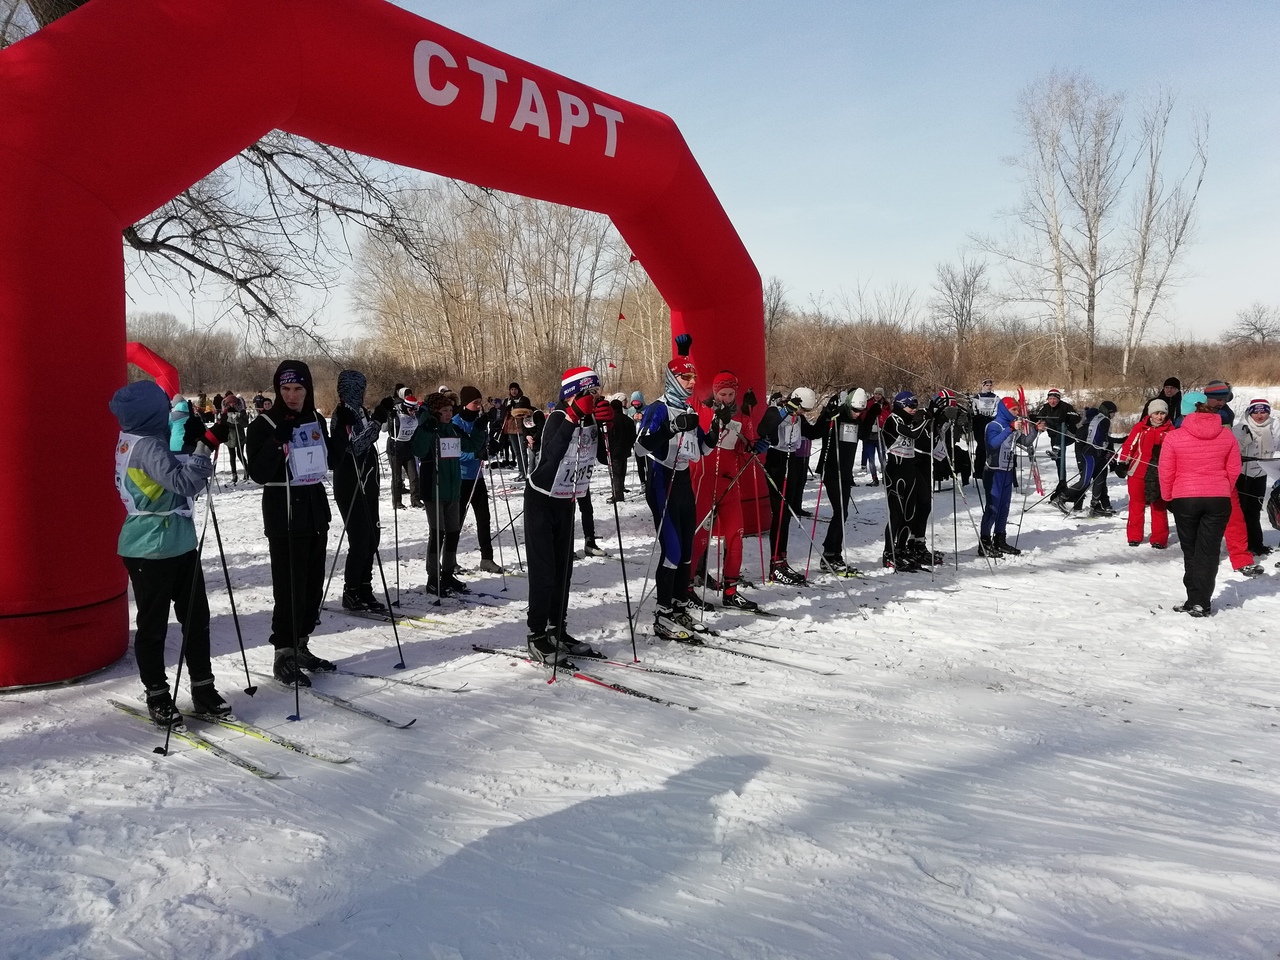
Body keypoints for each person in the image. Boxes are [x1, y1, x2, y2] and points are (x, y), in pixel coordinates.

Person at [110, 380, 231, 725]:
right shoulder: (148, 445)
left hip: (173, 541)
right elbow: (182, 483)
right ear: (150, 413)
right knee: (156, 625)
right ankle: (159, 694)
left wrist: (193, 444)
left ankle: (202, 688)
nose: (167, 413)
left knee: (195, 617)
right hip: (153, 546)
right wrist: (205, 446)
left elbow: (165, 469)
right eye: (162, 408)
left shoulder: (134, 438)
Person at [246, 360, 334, 687]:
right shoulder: (264, 424)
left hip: (313, 511)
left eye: (298, 388)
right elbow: (257, 473)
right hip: (284, 514)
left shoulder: (313, 419)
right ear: (277, 390)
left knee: (312, 586)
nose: (293, 395)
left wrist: (348, 432)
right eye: (285, 389)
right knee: (290, 588)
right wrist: (275, 442)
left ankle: (301, 645)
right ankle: (283, 652)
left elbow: (330, 459)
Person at [523, 366, 613, 664]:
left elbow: (606, 457)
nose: (594, 397)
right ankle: (537, 633)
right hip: (541, 499)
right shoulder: (558, 418)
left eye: (596, 391)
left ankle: (557, 629)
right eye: (589, 392)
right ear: (573, 394)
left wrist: (610, 427)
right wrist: (574, 416)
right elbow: (549, 459)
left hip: (566, 500)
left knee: (564, 571)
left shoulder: (589, 421)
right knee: (544, 571)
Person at [638, 335, 717, 640]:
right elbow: (641, 448)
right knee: (671, 552)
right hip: (661, 481)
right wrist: (671, 427)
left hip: (684, 482)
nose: (691, 382)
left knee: (686, 552)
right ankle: (662, 613)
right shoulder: (657, 410)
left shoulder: (690, 410)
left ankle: (679, 606)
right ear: (672, 378)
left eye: (693, 377)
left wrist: (718, 428)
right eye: (685, 376)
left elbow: (704, 449)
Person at [688, 371, 769, 610]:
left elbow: (746, 447)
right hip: (703, 482)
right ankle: (686, 587)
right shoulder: (703, 410)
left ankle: (731, 590)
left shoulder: (743, 418)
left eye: (731, 394)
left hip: (730, 483)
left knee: (736, 536)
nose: (726, 398)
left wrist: (756, 447)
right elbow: (688, 397)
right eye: (722, 394)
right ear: (714, 392)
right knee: (699, 538)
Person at [1159, 391, 1242, 617]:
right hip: (1218, 498)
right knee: (1209, 550)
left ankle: (1195, 599)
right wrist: (1224, 487)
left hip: (1185, 498)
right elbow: (1235, 468)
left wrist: (1167, 497)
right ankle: (1200, 602)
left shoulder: (1174, 436)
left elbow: (1166, 471)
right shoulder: (1226, 436)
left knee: (1191, 550)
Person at [413, 391, 483, 596]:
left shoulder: (452, 428)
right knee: (438, 533)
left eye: (450, 410)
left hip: (453, 488)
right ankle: (433, 577)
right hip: (433, 488)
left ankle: (448, 573)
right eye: (444, 410)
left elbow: (470, 445)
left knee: (453, 532)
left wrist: (479, 429)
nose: (448, 414)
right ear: (435, 412)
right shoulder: (428, 428)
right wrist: (427, 427)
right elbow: (417, 449)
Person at [328, 369, 386, 613]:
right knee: (360, 538)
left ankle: (365, 587)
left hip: (368, 479)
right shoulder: (341, 414)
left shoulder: (361, 411)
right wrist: (377, 421)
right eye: (358, 388)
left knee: (373, 536)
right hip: (350, 480)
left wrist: (377, 417)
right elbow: (357, 445)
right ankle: (351, 590)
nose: (361, 393)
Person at [757, 386, 826, 584]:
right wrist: (785, 412)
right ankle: (775, 564)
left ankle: (782, 560)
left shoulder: (799, 418)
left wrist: (826, 416)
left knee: (786, 514)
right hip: (777, 462)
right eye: (802, 409)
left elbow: (813, 433)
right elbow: (763, 429)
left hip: (793, 462)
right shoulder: (775, 410)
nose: (802, 413)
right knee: (780, 514)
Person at [978, 397, 1044, 557]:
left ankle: (1000, 539)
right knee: (993, 508)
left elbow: (1026, 442)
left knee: (1004, 508)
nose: (1017, 414)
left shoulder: (1013, 426)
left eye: (1018, 411)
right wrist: (1010, 428)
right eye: (1014, 410)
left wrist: (1036, 430)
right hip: (993, 472)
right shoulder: (994, 425)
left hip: (1007, 472)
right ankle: (984, 543)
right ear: (1005, 410)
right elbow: (992, 445)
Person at [453, 386, 504, 575]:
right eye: (475, 402)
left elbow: (484, 440)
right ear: (466, 403)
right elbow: (456, 453)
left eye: (480, 401)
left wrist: (492, 444)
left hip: (478, 477)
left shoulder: (479, 421)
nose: (479, 405)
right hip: (460, 478)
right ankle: (449, 559)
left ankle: (487, 558)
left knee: (484, 519)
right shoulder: (455, 423)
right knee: (456, 521)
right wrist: (476, 454)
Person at [880, 390, 930, 572]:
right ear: (901, 405)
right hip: (896, 470)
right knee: (896, 515)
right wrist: (925, 419)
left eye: (915, 406)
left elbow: (922, 437)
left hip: (909, 469)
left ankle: (900, 550)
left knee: (909, 514)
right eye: (910, 406)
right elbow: (912, 434)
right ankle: (888, 552)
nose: (913, 409)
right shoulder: (893, 419)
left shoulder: (909, 420)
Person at [817, 388, 864, 574]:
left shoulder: (857, 419)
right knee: (840, 511)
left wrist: (872, 415)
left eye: (860, 411)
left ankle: (834, 553)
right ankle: (830, 553)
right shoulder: (840, 414)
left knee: (843, 513)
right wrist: (827, 415)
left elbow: (863, 435)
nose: (856, 413)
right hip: (831, 470)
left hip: (845, 473)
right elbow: (819, 432)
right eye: (854, 409)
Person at [1118, 398, 1174, 548]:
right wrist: (1123, 462)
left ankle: (1159, 538)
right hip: (1137, 471)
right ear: (1150, 414)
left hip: (1158, 475)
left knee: (1158, 505)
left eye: (1162, 413)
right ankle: (1134, 536)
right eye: (1156, 413)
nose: (1159, 417)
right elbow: (1129, 445)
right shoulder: (1141, 428)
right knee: (1136, 504)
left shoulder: (1171, 431)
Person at [1050, 400, 1117, 517]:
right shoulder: (1096, 424)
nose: (1113, 416)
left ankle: (1095, 506)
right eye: (1112, 413)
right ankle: (1060, 498)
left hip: (1098, 456)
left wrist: (1109, 455)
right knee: (1084, 483)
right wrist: (1121, 440)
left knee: (1100, 480)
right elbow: (1096, 441)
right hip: (1089, 456)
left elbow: (1105, 441)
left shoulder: (1100, 422)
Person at [1233, 397, 1280, 557]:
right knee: (1243, 510)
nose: (1260, 415)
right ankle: (1244, 544)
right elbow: (1232, 450)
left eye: (1263, 412)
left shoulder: (1275, 426)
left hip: (1262, 473)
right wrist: (1243, 442)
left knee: (1255, 510)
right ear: (1250, 412)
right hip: (1243, 474)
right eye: (1256, 412)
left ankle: (1257, 544)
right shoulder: (1241, 427)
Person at [1035, 388, 1080, 497]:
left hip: (1068, 435)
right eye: (1050, 399)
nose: (1052, 401)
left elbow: (1077, 417)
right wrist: (1041, 423)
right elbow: (1040, 417)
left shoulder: (1065, 406)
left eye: (1054, 399)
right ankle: (1062, 483)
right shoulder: (1046, 407)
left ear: (1058, 399)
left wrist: (1068, 417)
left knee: (1061, 424)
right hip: (1054, 438)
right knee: (1059, 461)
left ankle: (1056, 449)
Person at [387, 387, 423, 510]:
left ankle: (416, 500)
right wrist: (389, 419)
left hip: (408, 448)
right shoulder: (396, 415)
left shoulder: (415, 416)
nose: (412, 412)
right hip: (395, 448)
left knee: (413, 477)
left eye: (414, 410)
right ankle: (397, 502)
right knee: (397, 478)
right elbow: (384, 429)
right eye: (410, 410)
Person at [500, 382, 534, 478]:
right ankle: (521, 471)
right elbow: (503, 413)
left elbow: (528, 410)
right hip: (511, 428)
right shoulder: (507, 400)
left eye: (515, 389)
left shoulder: (524, 399)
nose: (513, 391)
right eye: (512, 389)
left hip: (521, 427)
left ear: (518, 390)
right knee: (516, 452)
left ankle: (525, 470)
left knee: (523, 451)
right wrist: (507, 407)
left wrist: (517, 406)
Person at [971, 378, 999, 483]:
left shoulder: (996, 397)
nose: (988, 387)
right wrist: (979, 416)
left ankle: (990, 467)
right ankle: (979, 470)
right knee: (981, 445)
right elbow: (974, 410)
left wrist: (992, 417)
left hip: (991, 423)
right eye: (986, 385)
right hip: (980, 423)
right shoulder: (977, 397)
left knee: (990, 445)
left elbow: (997, 409)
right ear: (983, 386)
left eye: (990, 385)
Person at [858, 387, 886, 485]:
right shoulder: (868, 403)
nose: (877, 396)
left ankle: (885, 476)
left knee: (882, 457)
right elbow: (863, 415)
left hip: (880, 435)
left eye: (879, 394)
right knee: (871, 457)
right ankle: (874, 477)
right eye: (876, 394)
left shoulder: (885, 405)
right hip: (870, 435)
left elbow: (888, 415)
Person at [218, 391, 248, 483]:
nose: (231, 404)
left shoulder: (241, 410)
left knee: (240, 454)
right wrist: (224, 420)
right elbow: (221, 423)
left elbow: (245, 424)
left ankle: (247, 471)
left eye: (233, 402)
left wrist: (238, 419)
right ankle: (234, 474)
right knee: (232, 456)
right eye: (229, 403)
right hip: (230, 437)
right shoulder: (225, 411)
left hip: (240, 436)